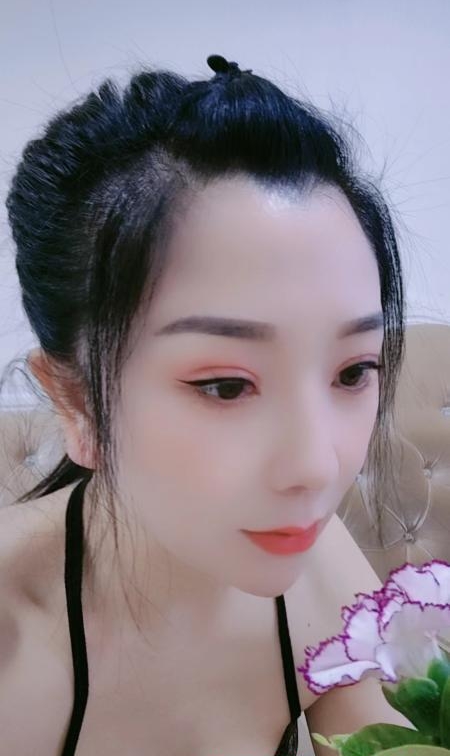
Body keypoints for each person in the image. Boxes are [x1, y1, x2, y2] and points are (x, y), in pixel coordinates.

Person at [0, 53, 411, 755]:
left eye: (353, 372)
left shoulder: (319, 568)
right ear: (77, 399)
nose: (317, 469)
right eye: (226, 385)